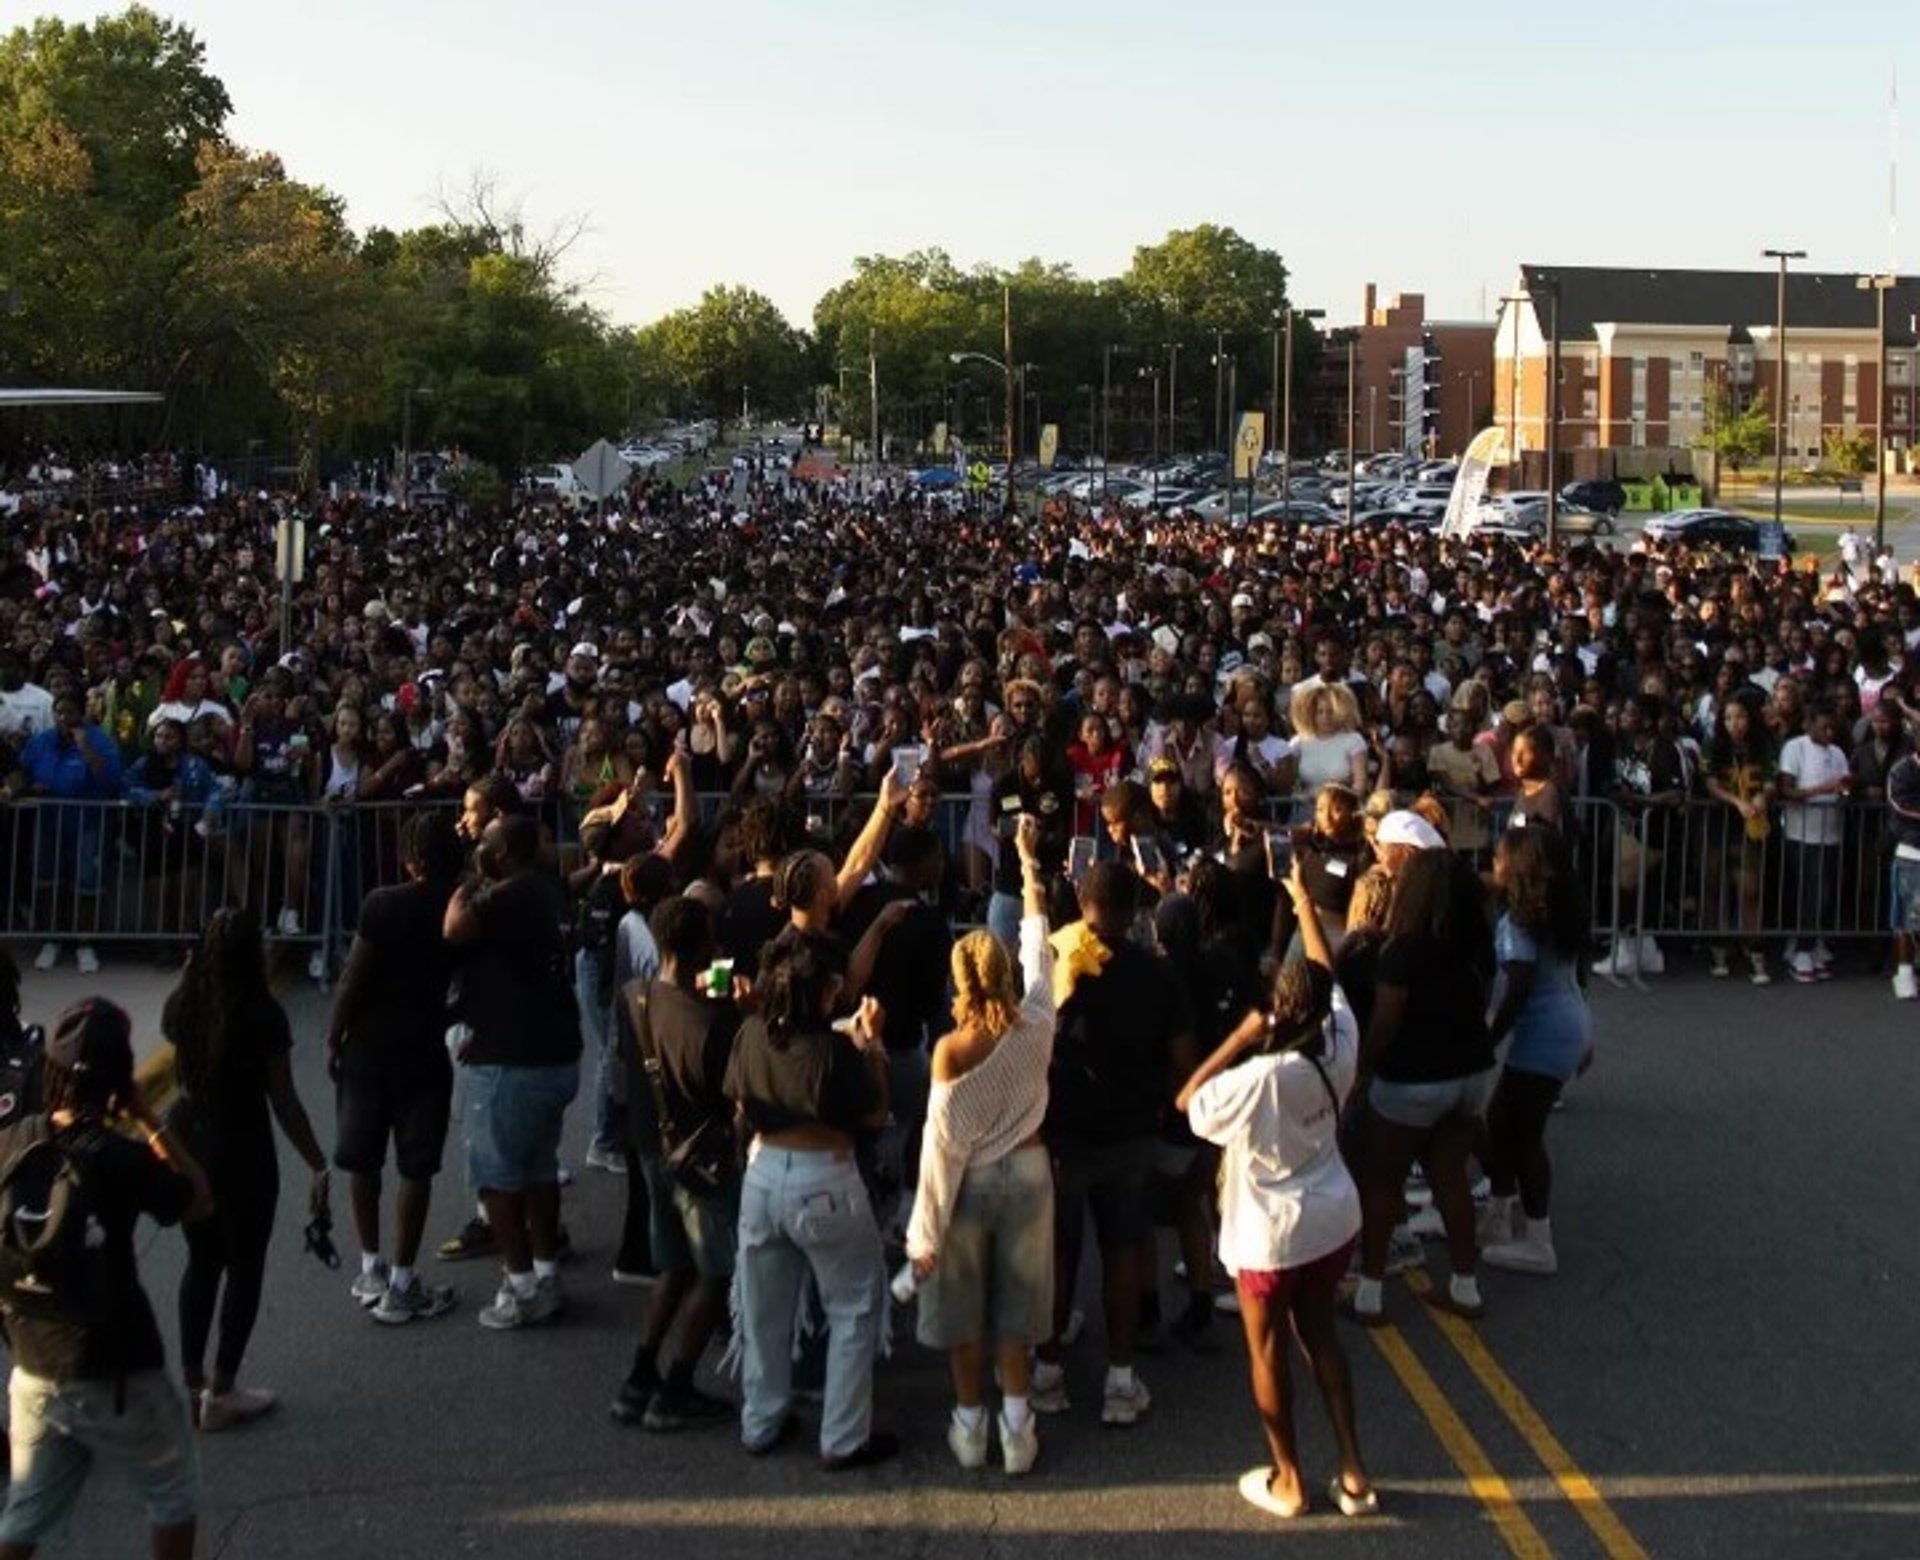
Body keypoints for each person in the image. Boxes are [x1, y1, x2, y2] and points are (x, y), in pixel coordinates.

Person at [1179, 859, 1376, 1522]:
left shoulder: (1260, 1077)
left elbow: (1189, 1101)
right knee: (1322, 1337)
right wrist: (1302, 906)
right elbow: (1332, 977)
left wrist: (1237, 1038)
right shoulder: (1340, 1041)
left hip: (1269, 1232)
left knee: (1267, 1350)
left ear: (1278, 1006)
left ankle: (1289, 1478)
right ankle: (1353, 1470)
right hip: (1332, 1216)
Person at [0, 999, 212, 1560]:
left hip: (33, 1363)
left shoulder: (16, 1138)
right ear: (120, 1080)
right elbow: (198, 1200)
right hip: (118, 1370)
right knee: (172, 1495)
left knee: (25, 1515)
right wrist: (148, 1119)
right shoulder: (120, 1157)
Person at [904, 815, 1054, 1475]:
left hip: (966, 1186)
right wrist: (1028, 865)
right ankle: (1018, 1427)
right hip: (1028, 1171)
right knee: (1016, 1312)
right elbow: (1038, 940)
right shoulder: (1039, 1020)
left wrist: (923, 1235)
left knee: (963, 1310)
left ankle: (970, 1426)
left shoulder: (950, 1051)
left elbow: (941, 1151)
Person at [1032, 861, 1195, 1427]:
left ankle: (1048, 1371)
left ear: (1081, 899)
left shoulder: (1054, 962)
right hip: (1130, 1132)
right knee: (1125, 1251)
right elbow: (1182, 1060)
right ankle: (1121, 1381)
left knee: (1059, 1253)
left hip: (1062, 1133)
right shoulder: (1156, 974)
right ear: (1135, 912)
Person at [726, 933, 894, 1469]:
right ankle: (843, 1436)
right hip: (825, 1177)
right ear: (819, 995)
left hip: (762, 1173)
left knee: (764, 1308)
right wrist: (874, 1051)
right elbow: (872, 1116)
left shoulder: (751, 1034)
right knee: (854, 1305)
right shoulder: (834, 1051)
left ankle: (761, 1419)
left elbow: (736, 1099)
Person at [162, 907, 329, 1429]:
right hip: (243, 1147)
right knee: (244, 1265)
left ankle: (190, 1383)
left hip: (190, 1139)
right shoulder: (263, 1013)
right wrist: (316, 1162)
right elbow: (284, 1101)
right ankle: (224, 1388)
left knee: (201, 1262)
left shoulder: (182, 1003)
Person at [443, 814, 582, 1329]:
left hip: (513, 1061)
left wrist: (468, 881)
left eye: (484, 843)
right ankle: (545, 1275)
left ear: (500, 855)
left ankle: (521, 1286)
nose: (477, 846)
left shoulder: (511, 894)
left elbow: (455, 926)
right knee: (539, 1169)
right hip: (552, 1052)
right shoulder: (544, 887)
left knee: (498, 1179)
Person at [1347, 848, 1496, 1326]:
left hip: (1413, 1079)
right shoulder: (1475, 945)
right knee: (1450, 1176)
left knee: (1382, 1180)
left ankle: (1369, 1294)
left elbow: (1386, 1022)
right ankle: (1465, 1286)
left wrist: (1362, 1070)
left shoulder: (1402, 951)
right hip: (1470, 1073)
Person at [325, 811, 464, 1324]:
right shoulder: (460, 907)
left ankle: (370, 1264)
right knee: (415, 1165)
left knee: (364, 1158)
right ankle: (404, 1279)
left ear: (410, 860)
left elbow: (352, 980)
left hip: (368, 1044)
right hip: (423, 1043)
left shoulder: (382, 904)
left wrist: (334, 1035)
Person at [608, 896, 738, 1432]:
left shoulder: (633, 996)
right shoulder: (713, 1023)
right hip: (701, 1158)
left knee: (672, 1266)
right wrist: (731, 1000)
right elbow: (732, 1091)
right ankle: (678, 1384)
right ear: (702, 947)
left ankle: (641, 1373)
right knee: (714, 1273)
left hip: (650, 1147)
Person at [1478, 829, 1592, 1277]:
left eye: (1500, 857)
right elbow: (1575, 975)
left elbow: (1519, 986)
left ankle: (1538, 1241)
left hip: (1544, 1033)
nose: (1494, 862)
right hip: (1567, 1024)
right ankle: (1500, 1215)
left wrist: (1489, 1040)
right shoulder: (1559, 911)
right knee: (1502, 1124)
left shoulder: (1521, 920)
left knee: (1522, 1133)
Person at [1778, 704, 1851, 983]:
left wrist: (1845, 790)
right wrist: (1821, 790)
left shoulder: (1838, 753)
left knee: (1824, 892)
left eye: (1832, 728)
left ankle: (1813, 941)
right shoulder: (1795, 748)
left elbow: (1842, 785)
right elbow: (1788, 788)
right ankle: (1802, 949)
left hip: (1831, 832)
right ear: (1809, 725)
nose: (1829, 733)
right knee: (1808, 892)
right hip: (1802, 833)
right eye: (1824, 727)